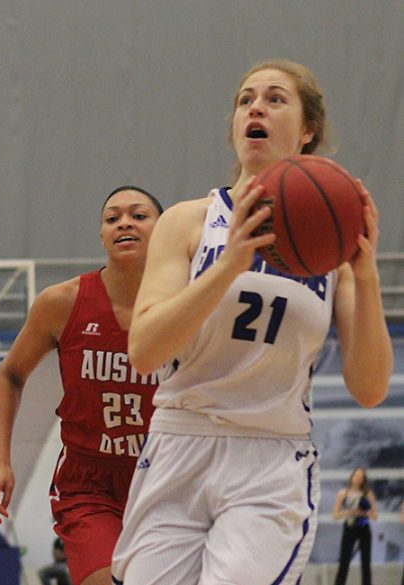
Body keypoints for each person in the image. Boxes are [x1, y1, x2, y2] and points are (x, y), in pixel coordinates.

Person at [110, 59, 392, 585]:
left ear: (308, 131)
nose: (255, 107)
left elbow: (371, 388)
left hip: (269, 456)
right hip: (180, 441)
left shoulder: (334, 242)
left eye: (275, 98)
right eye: (245, 99)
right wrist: (228, 267)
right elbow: (145, 350)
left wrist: (367, 276)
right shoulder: (188, 220)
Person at [0, 186, 163, 585]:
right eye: (112, 218)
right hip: (90, 482)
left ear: (166, 230)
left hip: (166, 474)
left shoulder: (187, 301)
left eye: (138, 215)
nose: (124, 223)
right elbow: (10, 375)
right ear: (102, 236)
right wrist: (0, 462)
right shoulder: (62, 302)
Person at [332, 468, 377, 585]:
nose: (358, 479)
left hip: (364, 528)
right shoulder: (343, 493)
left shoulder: (368, 493)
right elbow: (335, 515)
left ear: (363, 480)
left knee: (366, 563)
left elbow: (375, 515)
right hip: (349, 527)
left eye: (361, 477)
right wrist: (349, 512)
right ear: (352, 477)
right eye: (356, 476)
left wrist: (363, 513)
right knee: (344, 562)